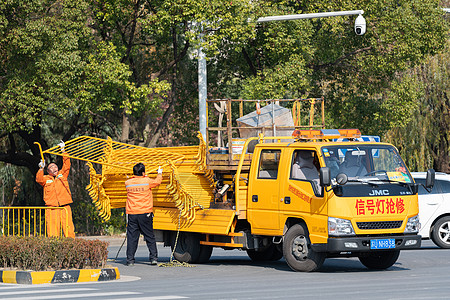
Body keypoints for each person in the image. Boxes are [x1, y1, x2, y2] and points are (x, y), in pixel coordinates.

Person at [125, 163, 163, 266]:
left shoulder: (127, 183)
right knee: (149, 236)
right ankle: (153, 258)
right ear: (143, 172)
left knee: (132, 238)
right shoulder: (147, 181)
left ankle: (130, 260)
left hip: (132, 214)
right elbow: (157, 182)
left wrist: (143, 175)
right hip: (145, 213)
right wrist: (159, 173)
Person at [35, 140, 75, 238]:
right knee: (53, 232)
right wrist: (41, 168)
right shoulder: (45, 179)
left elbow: (67, 165)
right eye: (52, 167)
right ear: (48, 171)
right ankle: (53, 249)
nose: (55, 168)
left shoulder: (62, 175)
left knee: (69, 229)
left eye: (56, 166)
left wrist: (63, 150)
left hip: (65, 207)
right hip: (52, 209)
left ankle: (71, 247)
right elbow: (38, 179)